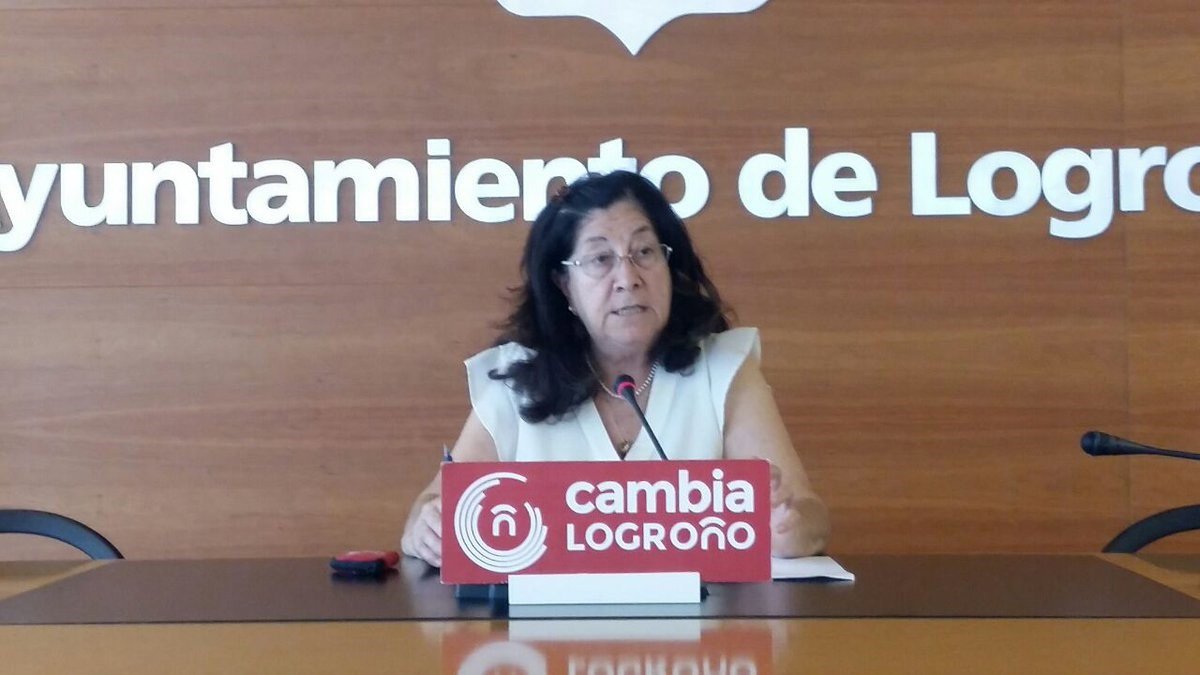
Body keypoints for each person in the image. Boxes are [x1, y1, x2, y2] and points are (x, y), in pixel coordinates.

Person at [401, 170, 829, 566]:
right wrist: (427, 528)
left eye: (644, 252)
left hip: (703, 621)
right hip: (547, 624)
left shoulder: (724, 371)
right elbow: (432, 510)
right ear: (564, 285)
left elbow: (808, 514)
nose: (628, 277)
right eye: (600, 259)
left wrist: (790, 527)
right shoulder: (517, 383)